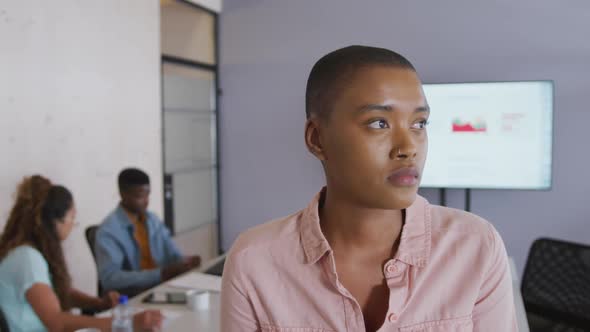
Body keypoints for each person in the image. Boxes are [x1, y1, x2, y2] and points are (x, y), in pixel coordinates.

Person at [220, 46, 518, 331]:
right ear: (317, 139)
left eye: (419, 124)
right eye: (379, 123)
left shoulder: (476, 247)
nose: (408, 147)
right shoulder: (254, 261)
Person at [0, 175, 162, 332]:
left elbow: (57, 293)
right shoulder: (27, 259)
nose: (72, 225)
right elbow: (58, 324)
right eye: (72, 218)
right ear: (57, 221)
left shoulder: (26, 252)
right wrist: (124, 323)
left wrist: (98, 303)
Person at [95, 168, 201, 296]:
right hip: (134, 296)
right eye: (140, 196)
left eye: (148, 195)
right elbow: (110, 279)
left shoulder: (152, 220)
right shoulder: (108, 231)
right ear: (123, 194)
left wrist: (184, 262)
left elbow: (171, 253)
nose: (146, 201)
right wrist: (160, 274)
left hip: (161, 288)